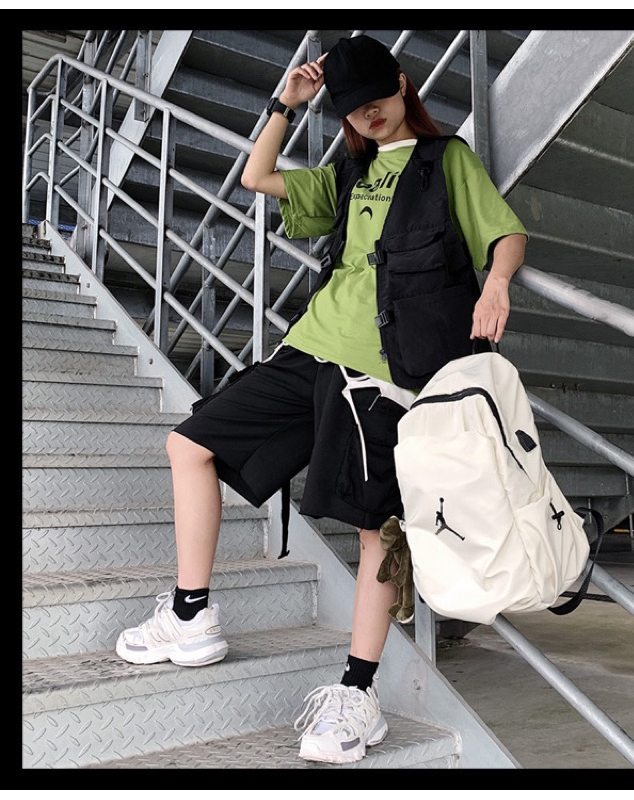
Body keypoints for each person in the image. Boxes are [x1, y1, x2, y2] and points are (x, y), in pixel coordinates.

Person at [115, 34, 527, 764]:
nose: (368, 116)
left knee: (376, 530)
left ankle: (357, 695)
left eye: (377, 100)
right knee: (189, 444)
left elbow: (506, 233)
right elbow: (257, 176)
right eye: (354, 109)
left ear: (403, 85)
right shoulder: (348, 171)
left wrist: (496, 284)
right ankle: (190, 613)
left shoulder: (445, 161)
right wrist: (287, 103)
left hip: (386, 371)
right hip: (308, 351)